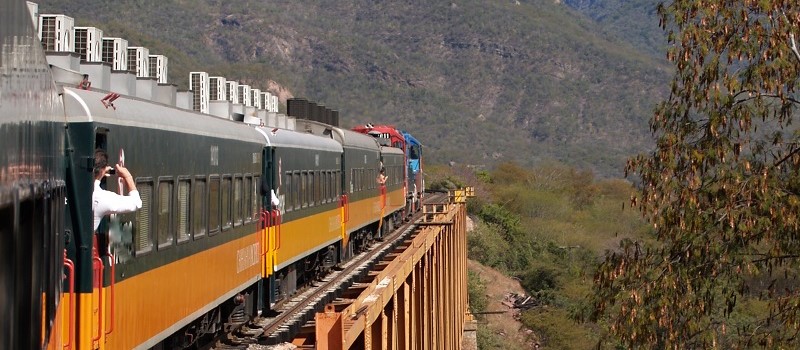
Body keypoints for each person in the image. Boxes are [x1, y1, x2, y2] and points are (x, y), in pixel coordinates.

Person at [92, 149, 142, 231]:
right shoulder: (101, 198)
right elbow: (136, 203)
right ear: (102, 170)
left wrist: (100, 175)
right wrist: (127, 176)